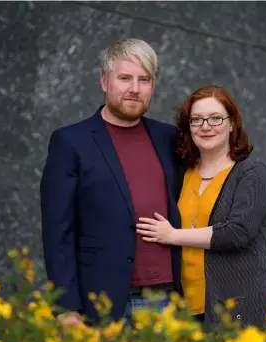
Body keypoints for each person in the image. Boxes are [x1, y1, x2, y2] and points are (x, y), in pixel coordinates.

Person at [40, 38, 183, 326]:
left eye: (144, 79)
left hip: (167, 300)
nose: (134, 88)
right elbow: (58, 232)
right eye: (125, 78)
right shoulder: (71, 141)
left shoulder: (169, 138)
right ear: (104, 82)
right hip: (101, 302)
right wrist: (66, 307)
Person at [136, 85, 266, 329]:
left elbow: (237, 233)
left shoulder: (252, 174)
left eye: (215, 118)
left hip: (237, 307)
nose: (205, 126)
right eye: (197, 119)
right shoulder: (184, 173)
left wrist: (172, 235)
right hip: (187, 307)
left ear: (232, 123)